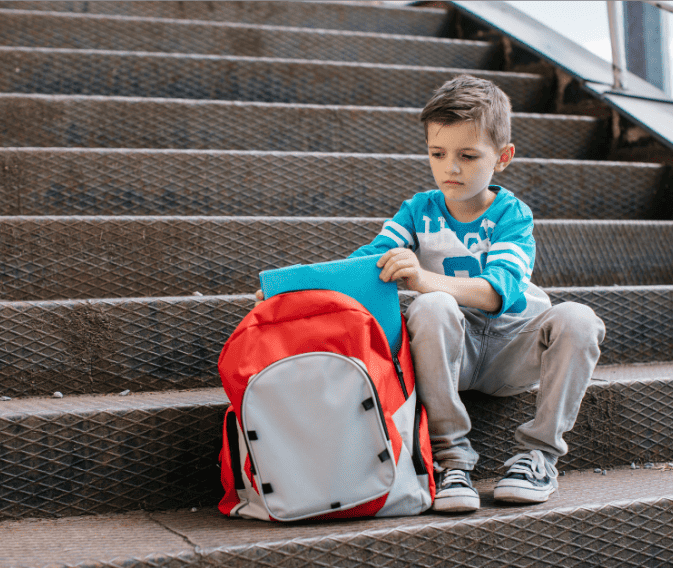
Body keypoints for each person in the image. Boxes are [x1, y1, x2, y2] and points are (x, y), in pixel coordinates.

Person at [256, 74, 605, 513]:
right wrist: (288, 295)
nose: (450, 168)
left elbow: (499, 292)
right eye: (437, 154)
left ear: (503, 158)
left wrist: (421, 277)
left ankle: (538, 456)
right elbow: (363, 266)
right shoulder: (419, 209)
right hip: (449, 351)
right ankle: (451, 459)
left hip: (510, 352)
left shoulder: (512, 214)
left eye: (467, 155)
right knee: (432, 307)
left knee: (579, 318)